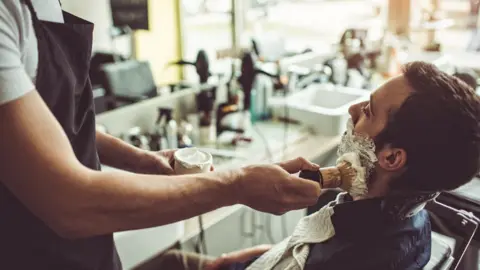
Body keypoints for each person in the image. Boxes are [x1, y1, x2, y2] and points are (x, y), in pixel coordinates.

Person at [0, 1, 323, 269]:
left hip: (87, 253)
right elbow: (69, 204)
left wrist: (142, 160)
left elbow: (52, 123)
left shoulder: (44, 8)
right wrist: (235, 184)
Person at [158, 62, 480, 270]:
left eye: (368, 111)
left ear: (392, 158)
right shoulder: (411, 218)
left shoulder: (360, 258)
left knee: (165, 261)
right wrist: (265, 255)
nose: (352, 110)